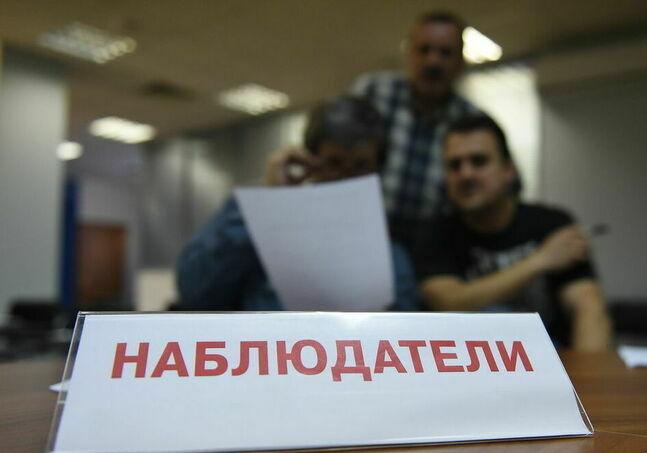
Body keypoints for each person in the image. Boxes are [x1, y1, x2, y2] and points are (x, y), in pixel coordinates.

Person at [176, 96, 417, 312]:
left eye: (360, 165)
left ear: (377, 169)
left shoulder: (390, 253)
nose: (345, 177)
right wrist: (269, 202)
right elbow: (194, 292)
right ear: (311, 160)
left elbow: (404, 326)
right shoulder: (256, 217)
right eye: (334, 162)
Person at [414, 115, 612, 351]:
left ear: (509, 169)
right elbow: (448, 304)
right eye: (454, 165)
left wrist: (588, 373)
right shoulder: (436, 232)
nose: (466, 174)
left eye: (479, 161)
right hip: (467, 362)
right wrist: (541, 260)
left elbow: (588, 306)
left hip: (550, 357)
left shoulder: (552, 223)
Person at [350, 10, 480, 255]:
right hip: (358, 237)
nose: (433, 62)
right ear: (409, 52)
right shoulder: (371, 92)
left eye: (445, 53)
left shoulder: (472, 121)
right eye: (424, 50)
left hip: (431, 253)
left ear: (460, 62)